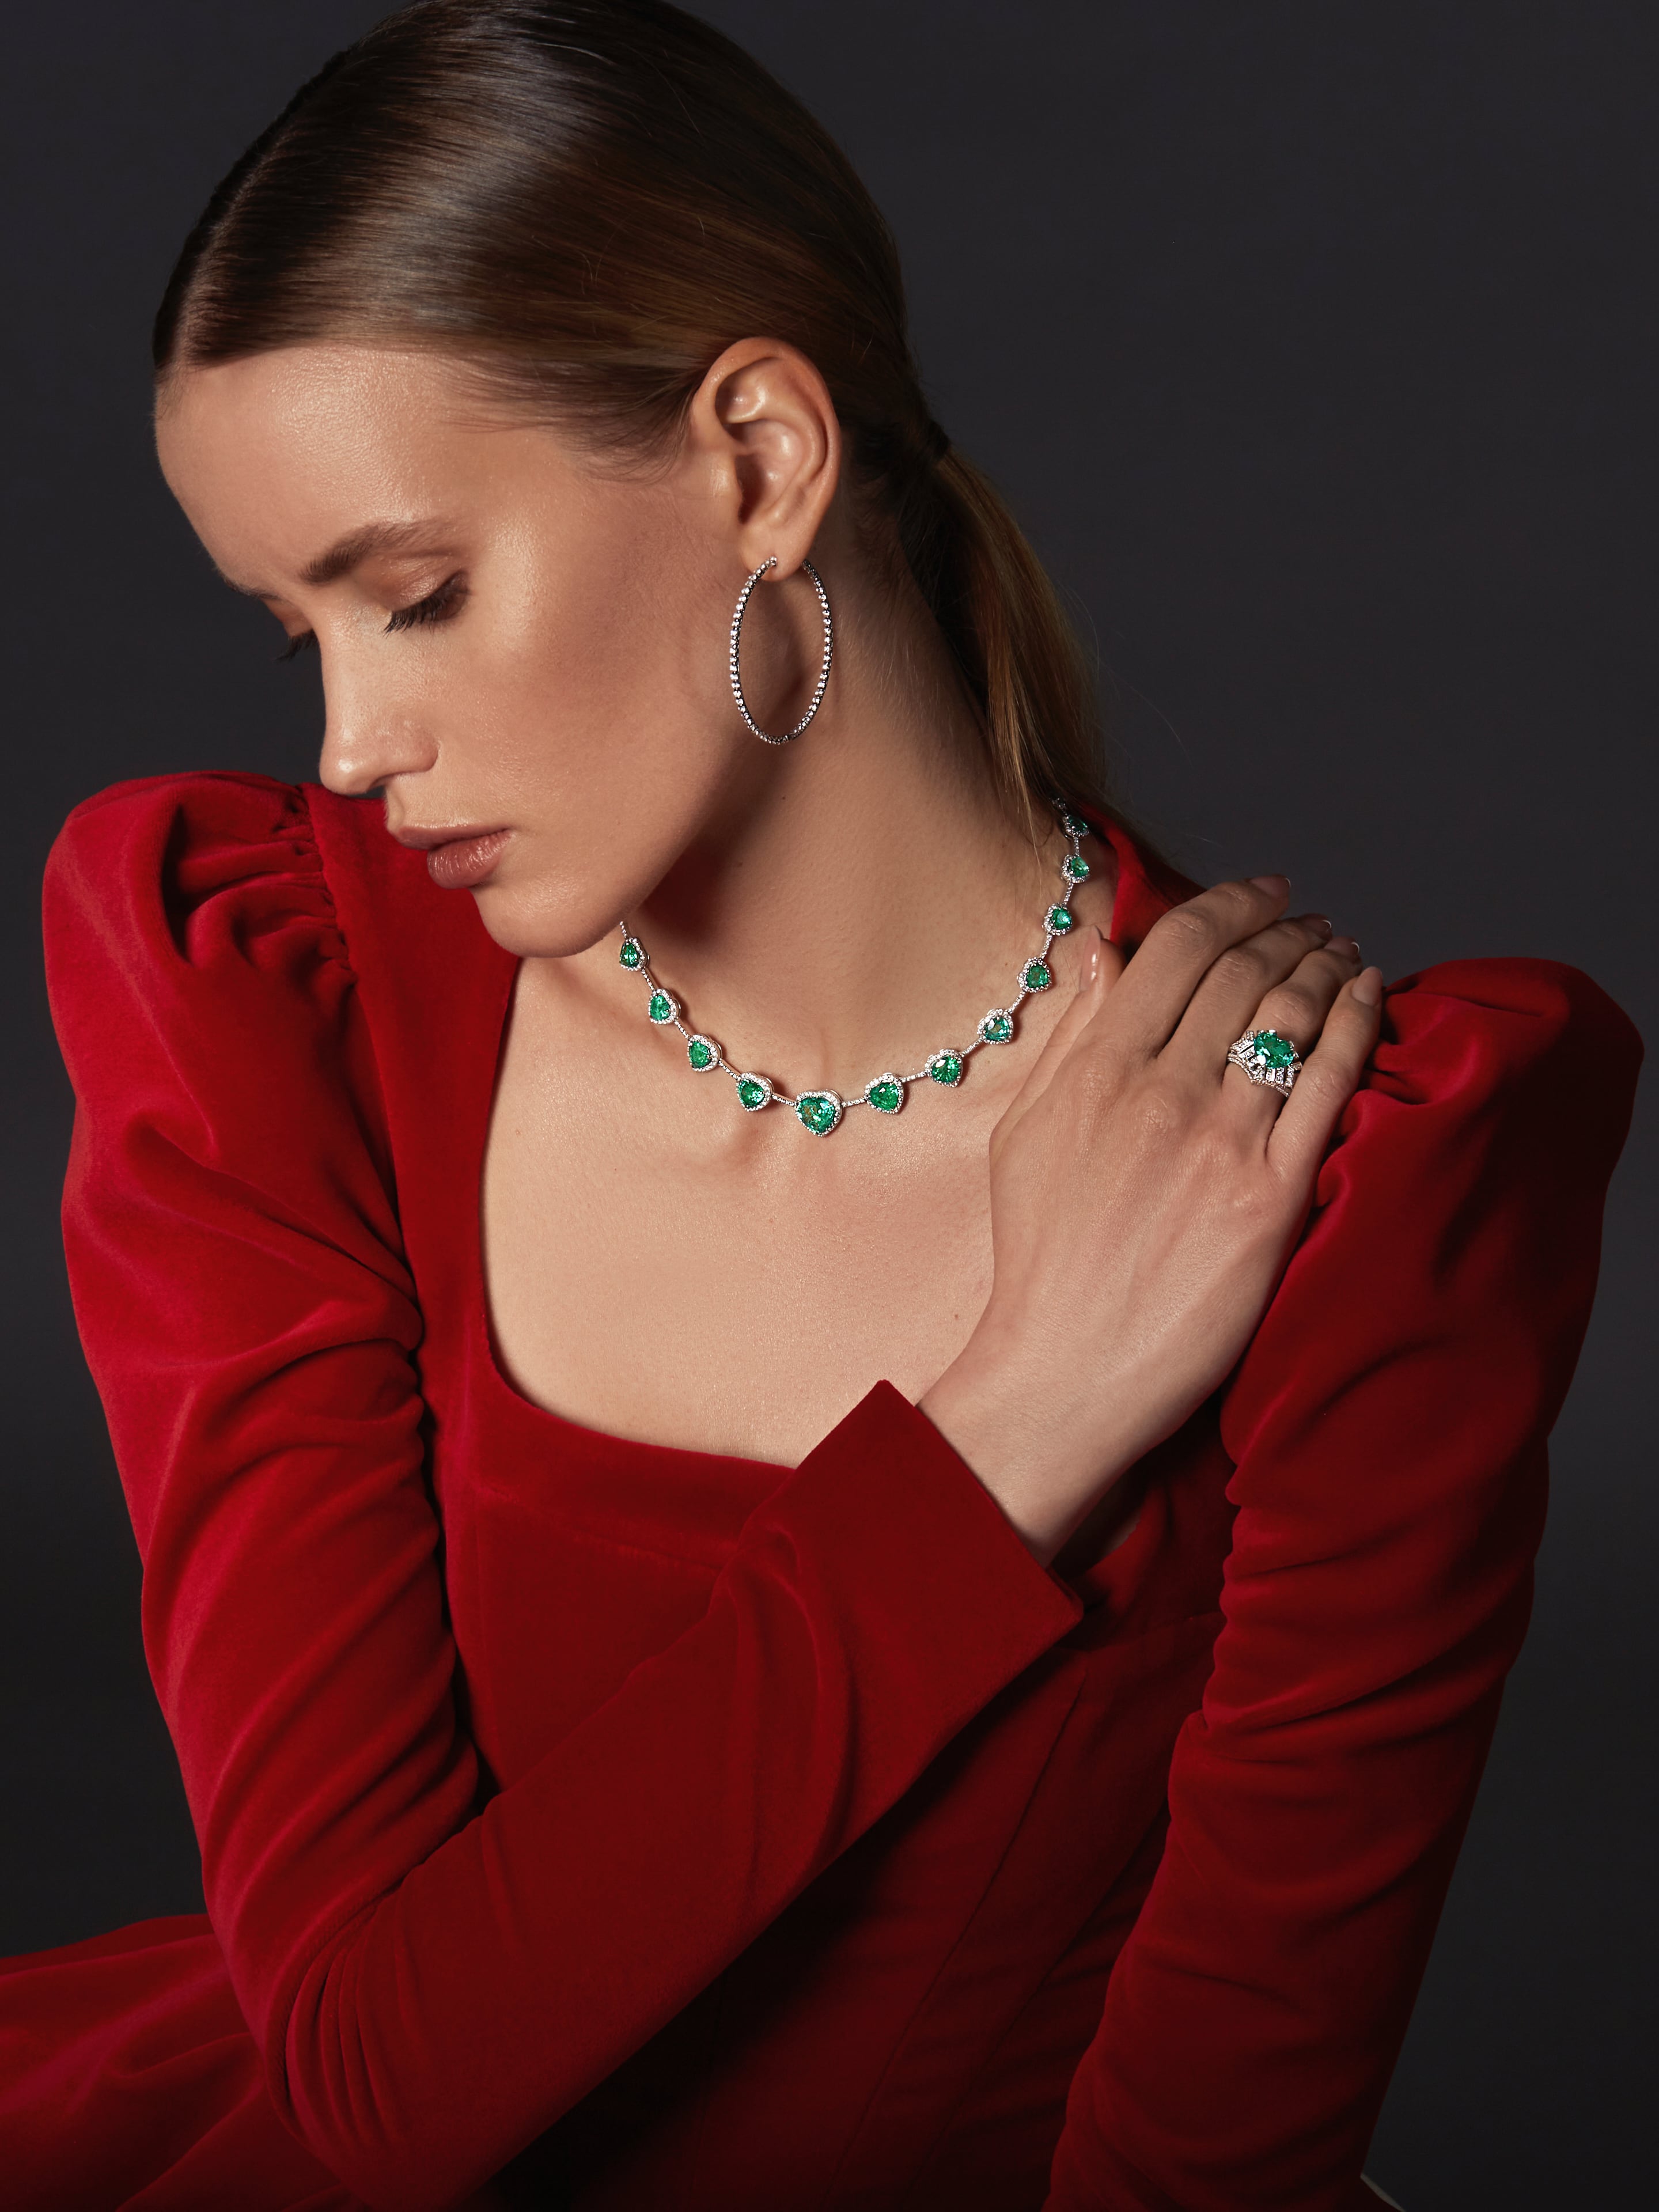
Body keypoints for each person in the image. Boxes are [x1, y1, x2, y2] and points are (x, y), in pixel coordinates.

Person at [0, 4, 1639, 2208]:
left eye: (418, 597)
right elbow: (377, 2085)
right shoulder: (278, 1003)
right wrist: (1010, 1430)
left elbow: (1209, 2155)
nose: (351, 748)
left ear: (763, 458)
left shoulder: (1343, 1182)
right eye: (303, 636)